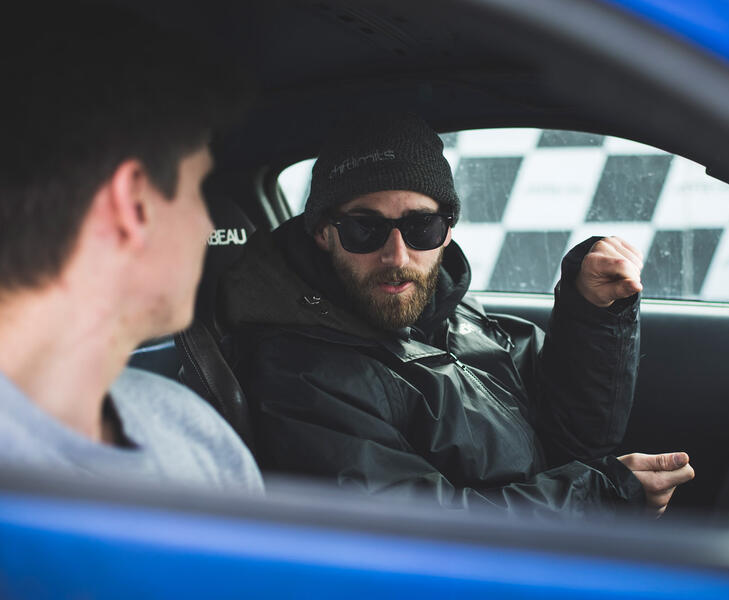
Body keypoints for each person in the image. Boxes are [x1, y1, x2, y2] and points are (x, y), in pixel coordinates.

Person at [221, 113, 692, 516]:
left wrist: (592, 314)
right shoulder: (302, 373)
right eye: (365, 229)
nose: (397, 255)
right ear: (324, 233)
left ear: (447, 231)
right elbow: (421, 534)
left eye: (421, 225)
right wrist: (597, 499)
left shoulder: (450, 308)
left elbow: (574, 439)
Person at [0, 5, 262, 493]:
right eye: (197, 189)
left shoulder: (198, 432)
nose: (208, 222)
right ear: (134, 204)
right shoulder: (198, 447)